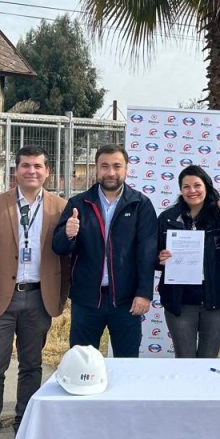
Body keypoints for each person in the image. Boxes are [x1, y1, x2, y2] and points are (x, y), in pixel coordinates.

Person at [0, 146, 70, 439]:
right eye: (26, 166)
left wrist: (62, 296)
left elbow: (66, 256)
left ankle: (24, 431)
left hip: (39, 298)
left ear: (47, 171)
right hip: (0, 297)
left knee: (31, 366)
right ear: (16, 171)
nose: (32, 171)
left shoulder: (60, 208)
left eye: (38, 166)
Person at [52, 144, 156, 357]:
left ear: (126, 169)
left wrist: (144, 293)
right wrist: (68, 234)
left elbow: (147, 253)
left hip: (126, 302)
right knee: (82, 363)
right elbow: (59, 247)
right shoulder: (78, 203)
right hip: (87, 301)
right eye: (104, 166)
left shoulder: (140, 204)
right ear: (96, 169)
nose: (111, 172)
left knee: (127, 364)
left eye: (117, 166)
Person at [156, 166, 220, 358]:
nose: (192, 191)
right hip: (179, 301)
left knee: (208, 358)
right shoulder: (167, 218)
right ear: (180, 190)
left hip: (214, 300)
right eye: (186, 186)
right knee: (184, 358)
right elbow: (153, 255)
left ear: (206, 186)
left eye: (197, 185)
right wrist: (159, 258)